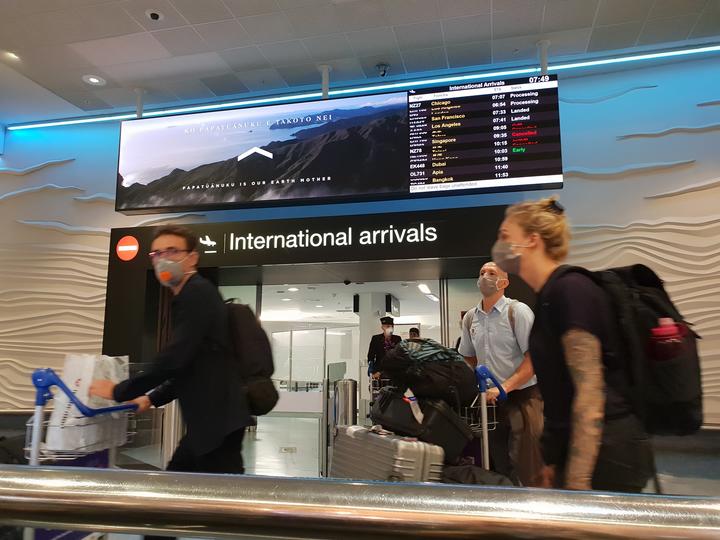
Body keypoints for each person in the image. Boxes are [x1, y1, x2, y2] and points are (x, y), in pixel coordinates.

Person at [492, 196, 654, 492]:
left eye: (505, 236)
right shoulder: (549, 295)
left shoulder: (571, 290)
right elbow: (562, 391)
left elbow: (589, 397)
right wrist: (555, 463)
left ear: (531, 240)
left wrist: (578, 483)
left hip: (608, 455)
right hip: (583, 451)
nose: (498, 245)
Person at [90, 225, 252, 479]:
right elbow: (191, 365)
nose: (163, 259)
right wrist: (151, 398)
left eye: (173, 251)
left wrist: (119, 390)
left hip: (216, 421)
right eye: (156, 254)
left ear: (193, 257)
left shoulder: (196, 293)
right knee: (180, 486)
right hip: (212, 421)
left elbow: (174, 359)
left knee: (214, 497)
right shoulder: (195, 294)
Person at [458, 262, 543, 486]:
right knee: (499, 461)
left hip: (523, 397)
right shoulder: (470, 318)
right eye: (482, 273)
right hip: (491, 402)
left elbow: (533, 360)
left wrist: (504, 387)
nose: (485, 276)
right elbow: (468, 356)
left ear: (504, 282)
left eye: (492, 273)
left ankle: (532, 511)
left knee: (526, 463)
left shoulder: (518, 312)